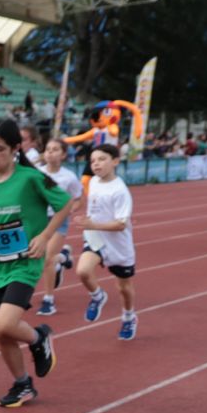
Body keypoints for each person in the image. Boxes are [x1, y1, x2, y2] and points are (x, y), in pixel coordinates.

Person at [0, 118, 72, 409]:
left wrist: (45, 236)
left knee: (7, 324)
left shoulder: (30, 178)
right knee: (1, 332)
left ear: (15, 149)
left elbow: (65, 204)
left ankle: (38, 338)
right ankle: (22, 384)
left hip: (26, 261)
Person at [74, 143, 138, 339]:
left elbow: (120, 224)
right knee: (83, 271)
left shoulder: (120, 191)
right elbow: (93, 207)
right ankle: (97, 296)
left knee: (123, 288)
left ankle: (129, 317)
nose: (96, 164)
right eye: (93, 161)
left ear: (115, 161)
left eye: (102, 159)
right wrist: (86, 221)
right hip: (96, 238)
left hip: (118, 245)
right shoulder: (93, 182)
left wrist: (93, 224)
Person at [33, 138, 81, 316]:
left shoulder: (69, 177)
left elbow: (78, 198)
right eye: (48, 149)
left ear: (63, 155)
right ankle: (63, 257)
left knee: (47, 259)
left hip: (58, 220)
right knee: (36, 257)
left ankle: (48, 300)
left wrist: (69, 210)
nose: (50, 153)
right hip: (38, 220)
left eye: (55, 150)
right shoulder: (37, 173)